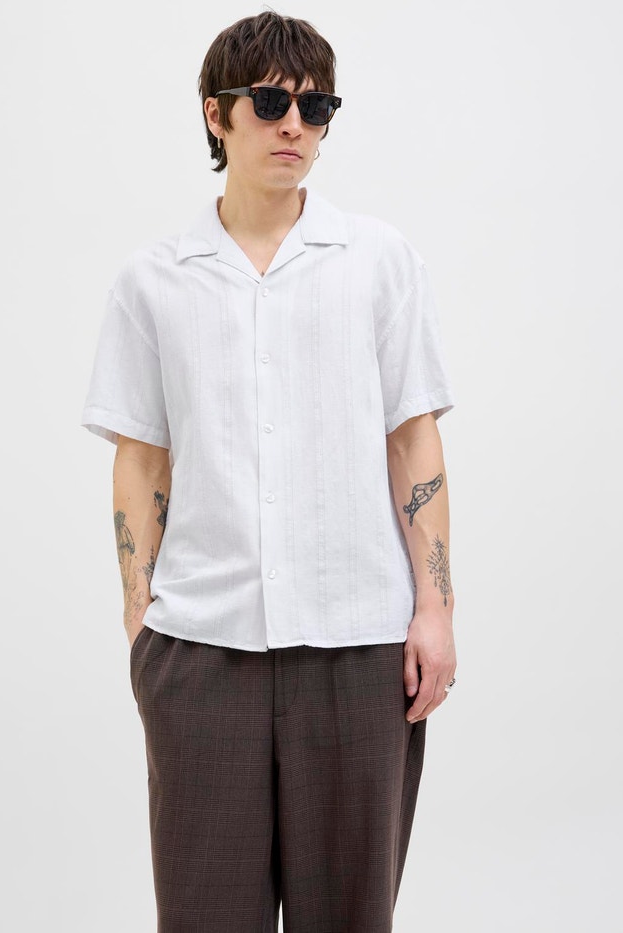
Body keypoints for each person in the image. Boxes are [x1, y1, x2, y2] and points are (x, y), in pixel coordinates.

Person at [81, 10, 457, 931]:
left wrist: (436, 609)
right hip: (201, 650)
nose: (295, 124)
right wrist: (140, 618)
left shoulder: (379, 262)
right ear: (217, 114)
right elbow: (141, 458)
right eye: (271, 102)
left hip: (360, 644)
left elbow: (412, 441)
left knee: (351, 915)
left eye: (316, 107)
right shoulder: (153, 281)